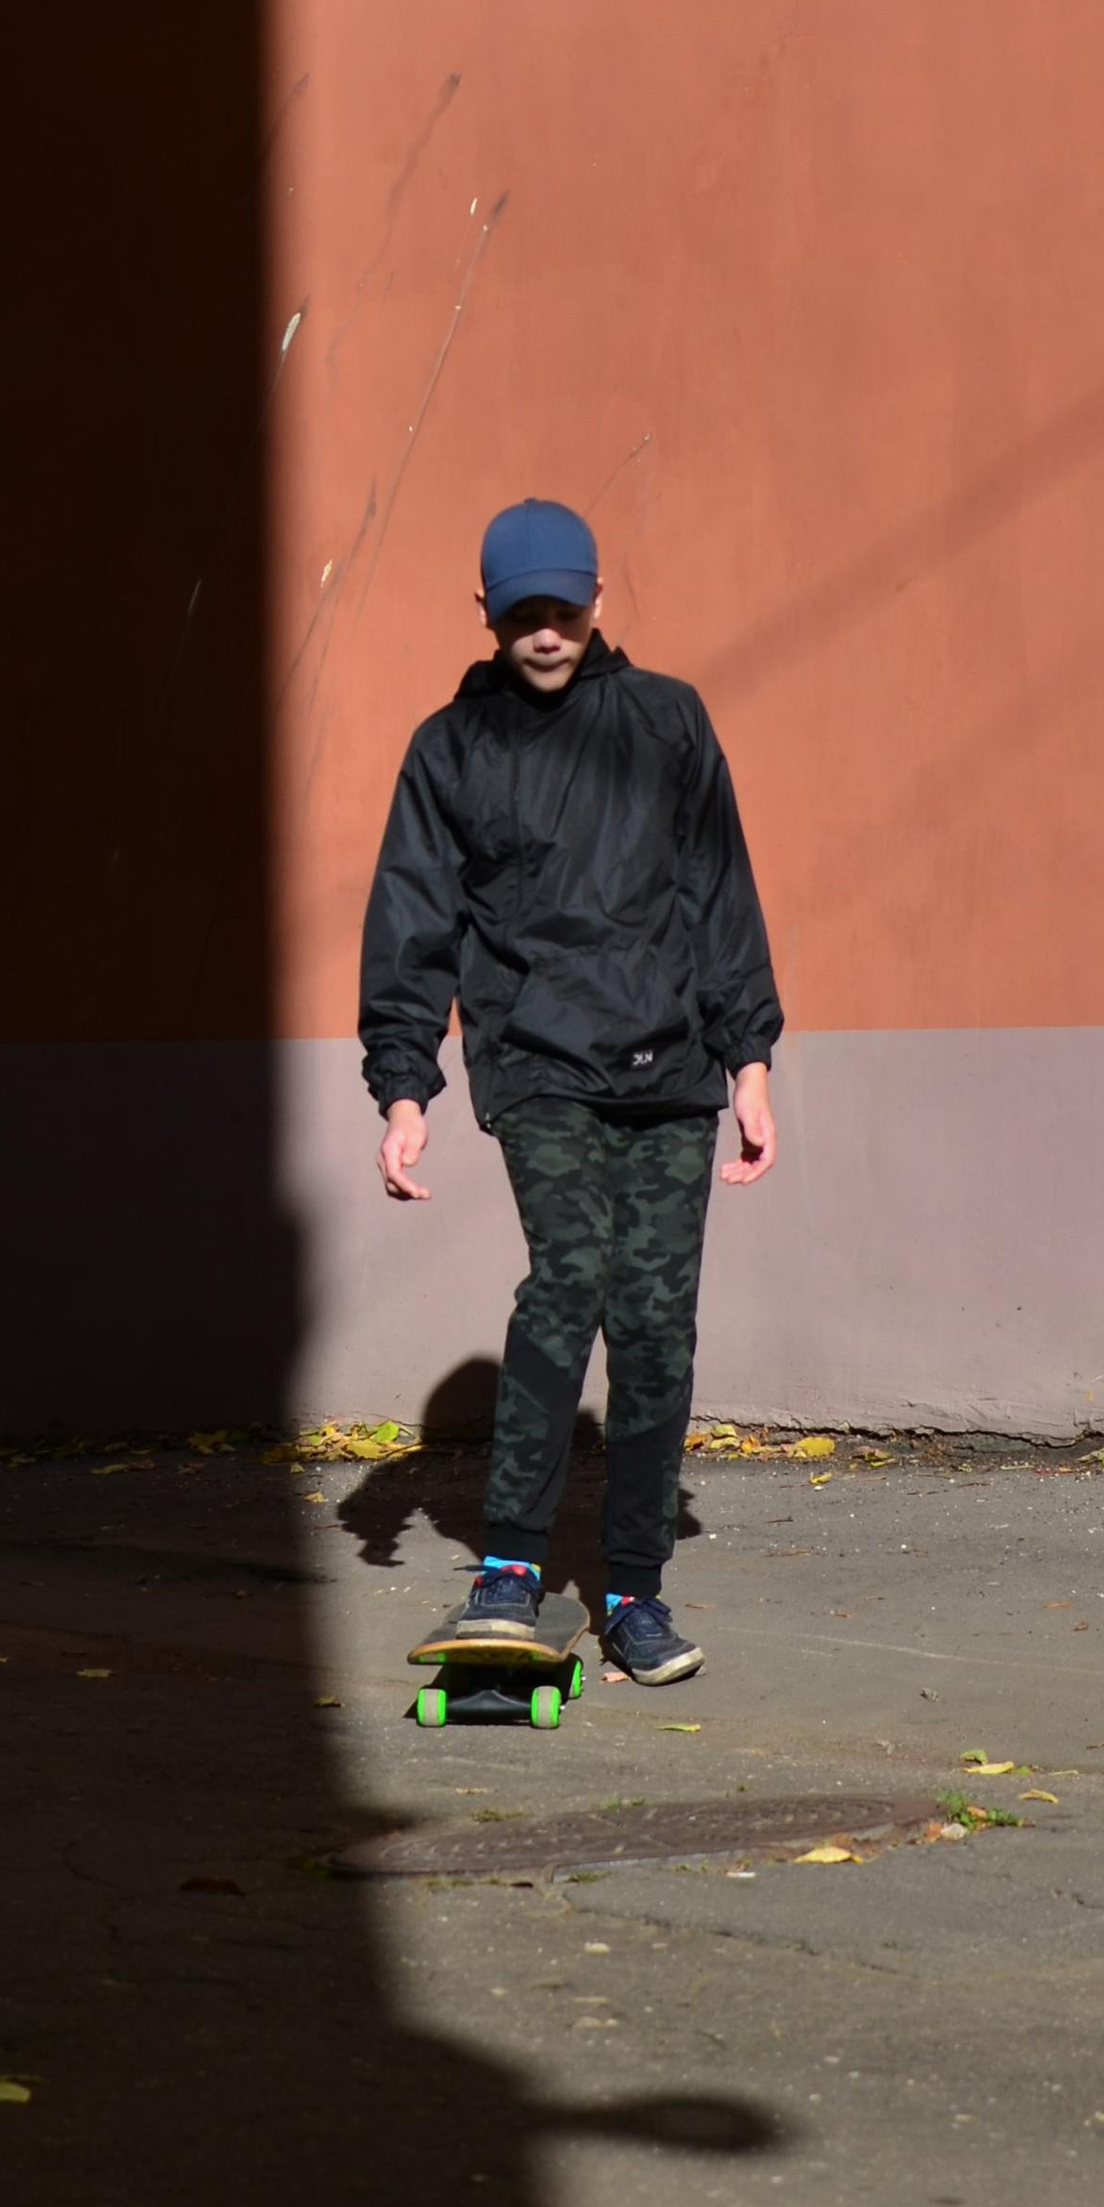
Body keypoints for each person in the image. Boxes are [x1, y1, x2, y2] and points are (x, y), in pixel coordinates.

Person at [358, 496, 781, 1685]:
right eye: (520, 613)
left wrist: (749, 1061)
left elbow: (720, 893)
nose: (544, 631)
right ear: (485, 613)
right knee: (569, 1281)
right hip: (537, 1060)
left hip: (671, 1068)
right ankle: (507, 1567)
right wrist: (404, 1088)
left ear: (597, 599)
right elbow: (411, 923)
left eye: (562, 607)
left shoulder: (666, 721)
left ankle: (634, 1588)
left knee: (652, 1322)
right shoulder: (450, 748)